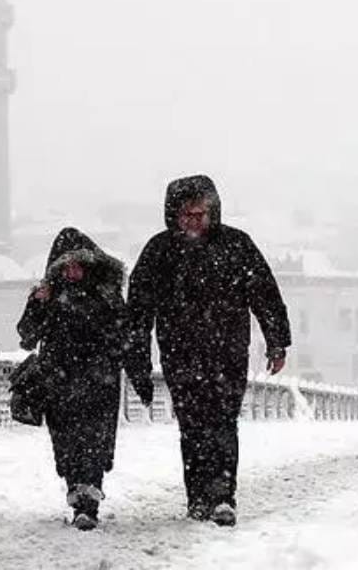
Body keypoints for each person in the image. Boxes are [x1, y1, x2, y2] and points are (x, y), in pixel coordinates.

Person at [124, 175, 291, 527]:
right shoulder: (159, 251)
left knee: (223, 422)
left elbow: (264, 294)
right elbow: (138, 310)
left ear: (212, 212)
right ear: (174, 215)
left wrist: (277, 341)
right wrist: (137, 356)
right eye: (187, 215)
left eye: (201, 214)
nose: (194, 221)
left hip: (227, 352)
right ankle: (198, 497)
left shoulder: (236, 245)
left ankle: (222, 496)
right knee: (192, 426)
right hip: (180, 354)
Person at [16, 227, 154, 531]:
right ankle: (77, 491)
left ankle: (87, 502)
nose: (73, 271)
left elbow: (126, 339)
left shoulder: (107, 297)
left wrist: (140, 377)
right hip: (59, 384)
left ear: (91, 264)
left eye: (78, 264)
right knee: (66, 445)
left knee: (94, 443)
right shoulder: (49, 297)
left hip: (99, 383)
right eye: (66, 266)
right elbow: (27, 337)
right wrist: (38, 303)